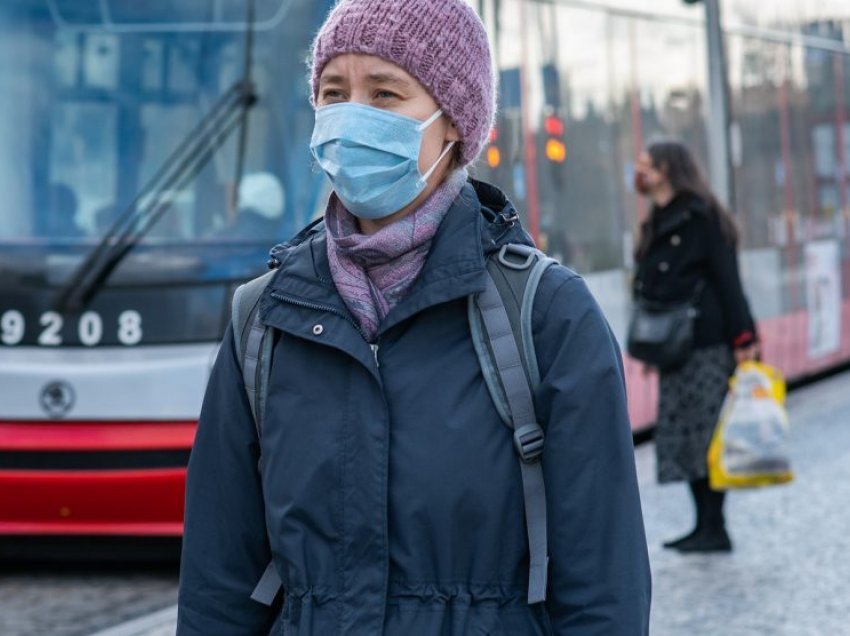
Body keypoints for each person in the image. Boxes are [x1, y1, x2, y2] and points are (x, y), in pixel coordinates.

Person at [177, 1, 651, 634]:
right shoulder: (263, 317)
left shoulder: (548, 316)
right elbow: (219, 580)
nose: (351, 117)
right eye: (334, 92)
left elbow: (603, 588)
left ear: (452, 123)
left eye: (385, 94)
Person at [633, 140, 759, 553]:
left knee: (706, 437)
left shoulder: (701, 216)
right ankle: (701, 524)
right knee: (683, 436)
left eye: (647, 165)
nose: (640, 172)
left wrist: (744, 339)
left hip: (706, 341)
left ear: (668, 169)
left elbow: (728, 281)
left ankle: (715, 526)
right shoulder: (658, 218)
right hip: (675, 346)